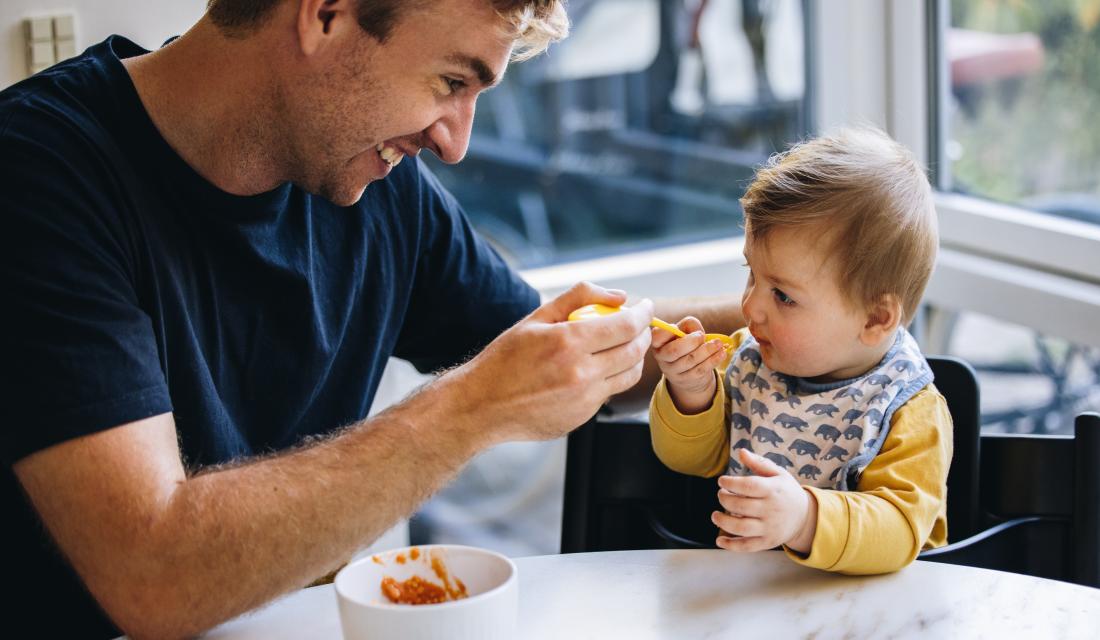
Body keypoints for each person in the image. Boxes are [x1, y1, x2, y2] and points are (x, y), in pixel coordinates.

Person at [0, 1, 742, 637]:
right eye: (451, 82)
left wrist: (773, 314)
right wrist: (469, 409)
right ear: (324, 15)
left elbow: (556, 349)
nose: (455, 143)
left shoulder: (378, 186)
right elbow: (151, 577)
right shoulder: (37, 176)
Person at [648, 127, 953, 574]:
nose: (749, 306)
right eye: (752, 275)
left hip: (878, 606)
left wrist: (805, 518)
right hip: (757, 594)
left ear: (874, 319)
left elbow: (901, 529)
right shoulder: (748, 360)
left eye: (783, 296)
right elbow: (689, 461)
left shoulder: (908, 407)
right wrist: (692, 393)